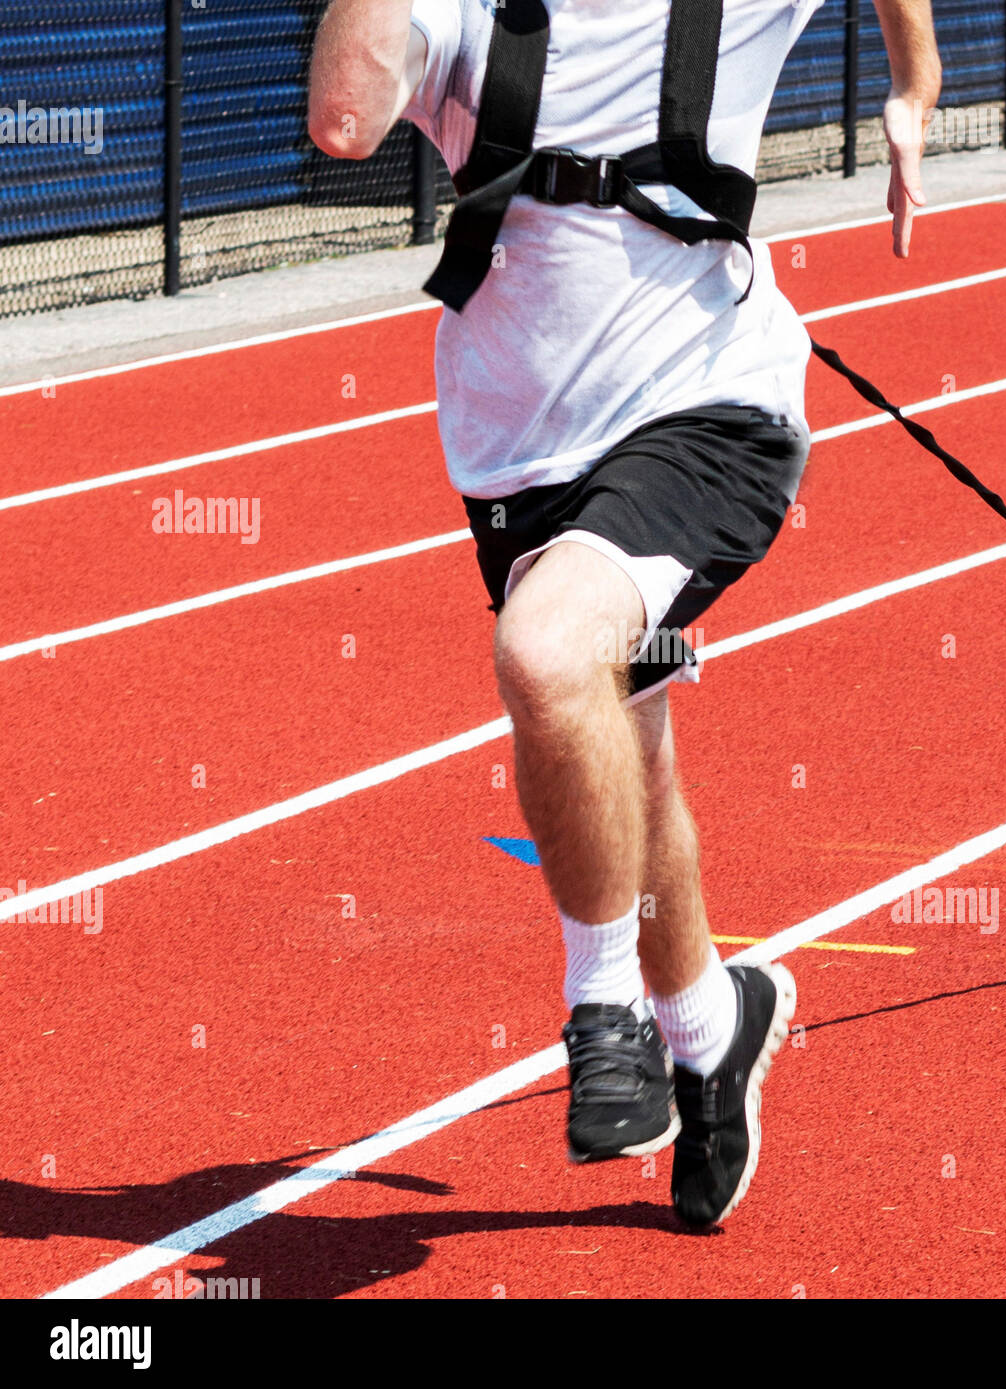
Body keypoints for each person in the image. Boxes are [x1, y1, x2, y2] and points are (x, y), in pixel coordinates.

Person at [309, 0, 940, 1228]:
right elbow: (344, 120)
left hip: (709, 409)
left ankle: (605, 1015)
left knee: (546, 657)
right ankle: (714, 1025)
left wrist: (912, 91)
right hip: (516, 448)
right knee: (622, 750)